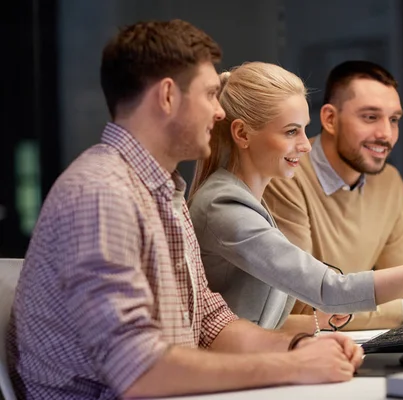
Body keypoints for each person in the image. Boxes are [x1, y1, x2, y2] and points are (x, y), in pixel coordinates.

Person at [6, 20, 364, 400]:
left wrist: (298, 348)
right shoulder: (101, 194)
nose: (219, 113)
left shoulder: (163, 193)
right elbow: (137, 371)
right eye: (210, 94)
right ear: (167, 97)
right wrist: (294, 367)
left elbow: (211, 323)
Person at [187, 61, 403, 335]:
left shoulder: (249, 198)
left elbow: (392, 280)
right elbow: (326, 292)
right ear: (243, 134)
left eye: (394, 120)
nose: (304, 145)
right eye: (291, 132)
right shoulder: (229, 204)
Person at [262, 60, 403, 330]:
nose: (386, 134)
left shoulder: (389, 183)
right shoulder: (285, 177)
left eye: (393, 119)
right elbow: (303, 309)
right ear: (329, 119)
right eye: (370, 117)